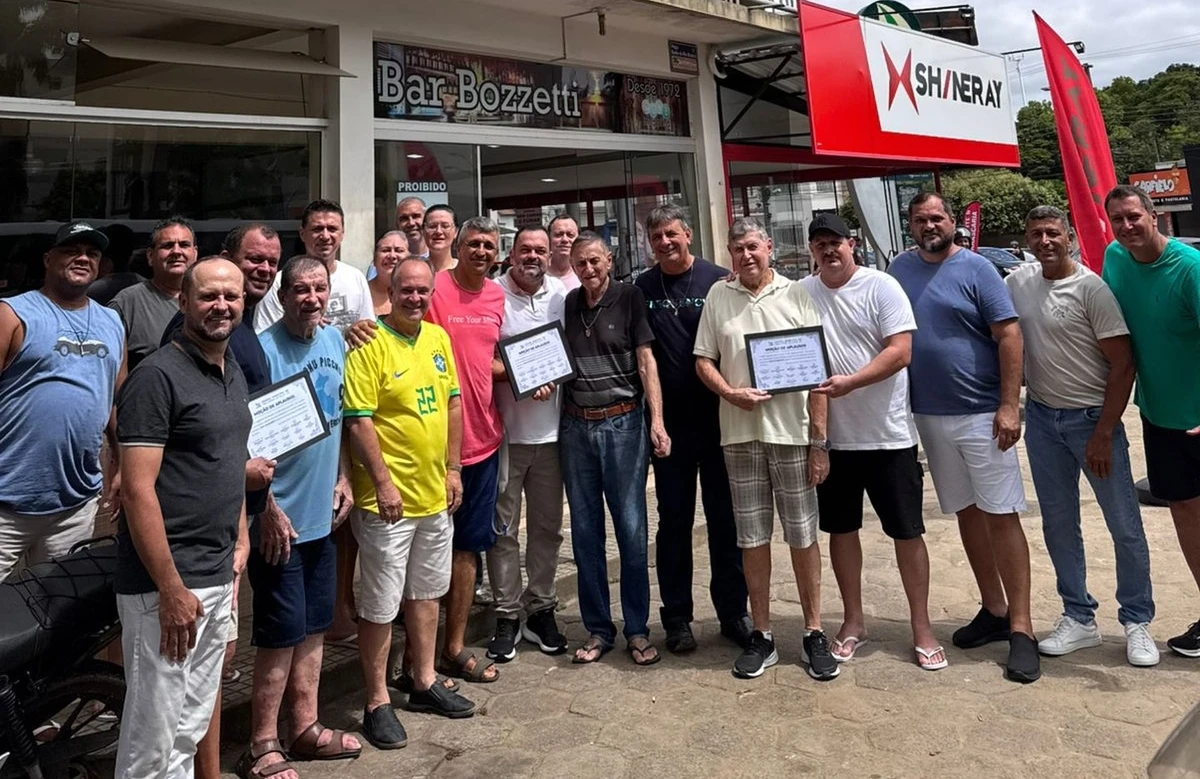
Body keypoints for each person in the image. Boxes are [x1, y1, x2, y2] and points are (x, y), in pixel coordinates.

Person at [888, 192, 1039, 684]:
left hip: (982, 414)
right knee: (967, 513)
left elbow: (1010, 336)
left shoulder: (977, 270)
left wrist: (1009, 404)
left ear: (953, 221)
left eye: (937, 217)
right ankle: (993, 610)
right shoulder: (897, 269)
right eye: (920, 219)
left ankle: (1022, 628)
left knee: (1001, 514)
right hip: (929, 415)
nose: (929, 225)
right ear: (909, 225)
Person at [114, 257, 251, 778]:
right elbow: (137, 491)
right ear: (183, 302)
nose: (221, 306)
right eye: (209, 296)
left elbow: (231, 458)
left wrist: (239, 538)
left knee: (188, 728)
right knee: (153, 736)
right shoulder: (155, 378)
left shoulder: (230, 368)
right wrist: (170, 590)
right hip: (168, 586)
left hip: (217, 575)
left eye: (231, 297)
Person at [157, 223, 282, 779]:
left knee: (216, 658)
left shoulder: (245, 333)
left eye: (268, 264)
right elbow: (179, 459)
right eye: (251, 260)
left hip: (231, 523)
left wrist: (248, 522)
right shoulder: (176, 352)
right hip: (189, 541)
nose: (227, 301)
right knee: (194, 667)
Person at [1006, 205, 1156, 667]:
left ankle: (1137, 621)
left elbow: (1123, 364)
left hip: (1093, 421)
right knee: (1058, 525)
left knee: (1123, 525)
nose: (1045, 241)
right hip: (1044, 422)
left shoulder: (1092, 289)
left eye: (1053, 233)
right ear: (1027, 239)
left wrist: (1104, 431)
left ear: (1069, 237)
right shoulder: (1017, 283)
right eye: (1036, 234)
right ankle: (1078, 618)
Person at [694, 217, 837, 682]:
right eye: (737, 249)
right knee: (752, 539)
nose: (745, 256)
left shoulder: (798, 294)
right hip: (739, 436)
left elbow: (818, 375)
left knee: (802, 534)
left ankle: (814, 631)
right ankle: (763, 633)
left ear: (769, 247)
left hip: (793, 435)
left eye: (752, 247)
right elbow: (703, 360)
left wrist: (820, 443)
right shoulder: (719, 295)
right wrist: (729, 393)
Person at [799, 214, 942, 670]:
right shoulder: (802, 291)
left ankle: (921, 625)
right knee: (841, 532)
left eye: (835, 242)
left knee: (907, 532)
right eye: (819, 244)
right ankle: (853, 620)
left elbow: (901, 351)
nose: (828, 251)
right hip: (835, 442)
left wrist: (851, 383)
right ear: (812, 251)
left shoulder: (882, 286)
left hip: (888, 437)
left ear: (852, 243)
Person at [344, 257, 475, 749]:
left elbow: (453, 404)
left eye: (424, 291)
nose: (416, 299)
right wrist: (382, 481)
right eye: (407, 291)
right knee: (379, 603)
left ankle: (422, 680)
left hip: (434, 496)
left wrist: (453, 468)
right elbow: (359, 420)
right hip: (388, 503)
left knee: (426, 593)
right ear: (391, 291)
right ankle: (376, 700)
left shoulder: (439, 340)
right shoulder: (368, 343)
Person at [238, 257, 359, 779]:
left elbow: (342, 420)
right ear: (282, 296)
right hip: (278, 522)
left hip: (321, 518)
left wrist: (346, 478)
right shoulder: (260, 353)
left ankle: (305, 727)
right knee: (279, 633)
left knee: (313, 628)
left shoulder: (335, 342)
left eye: (319, 289)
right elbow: (244, 443)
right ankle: (261, 743)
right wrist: (264, 509)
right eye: (300, 290)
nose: (311, 298)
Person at [634, 204, 750, 654]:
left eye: (672, 234)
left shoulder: (720, 280)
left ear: (688, 234)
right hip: (671, 428)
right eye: (657, 236)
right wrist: (655, 421)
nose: (665, 242)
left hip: (722, 422)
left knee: (726, 522)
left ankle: (733, 613)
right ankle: (677, 618)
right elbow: (643, 359)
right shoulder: (642, 288)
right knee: (674, 524)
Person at [562, 232, 670, 666]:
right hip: (575, 427)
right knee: (585, 532)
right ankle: (597, 628)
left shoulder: (631, 297)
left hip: (623, 423)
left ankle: (638, 629)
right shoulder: (570, 303)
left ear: (609, 260)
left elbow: (646, 361)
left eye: (594, 261)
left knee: (630, 529)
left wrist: (657, 421)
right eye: (579, 264)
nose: (588, 270)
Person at [1102, 184, 1200, 658]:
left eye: (1133, 217)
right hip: (1160, 415)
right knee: (1185, 513)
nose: (1126, 227)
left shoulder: (1191, 269)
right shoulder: (1114, 260)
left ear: (1154, 214)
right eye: (1117, 219)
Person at [0, 222, 125, 581]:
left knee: (56, 613)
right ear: (48, 259)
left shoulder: (112, 321)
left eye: (92, 253)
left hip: (74, 503)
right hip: (7, 500)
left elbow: (118, 397)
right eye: (72, 250)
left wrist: (122, 462)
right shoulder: (12, 313)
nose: (83, 258)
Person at [425, 216, 505, 683]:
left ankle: (453, 647)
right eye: (473, 244)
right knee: (426, 552)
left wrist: (524, 372)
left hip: (484, 443)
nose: (480, 251)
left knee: (468, 550)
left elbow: (495, 358)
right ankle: (420, 657)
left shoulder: (497, 296)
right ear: (458, 246)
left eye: (488, 246)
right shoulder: (432, 288)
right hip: (434, 445)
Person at [485, 226, 570, 660]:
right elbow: (481, 357)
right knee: (502, 531)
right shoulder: (491, 294)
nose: (533, 256)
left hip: (553, 436)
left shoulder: (561, 293)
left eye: (540, 249)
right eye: (525, 250)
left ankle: (541, 608)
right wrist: (523, 374)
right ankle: (505, 613)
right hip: (505, 436)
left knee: (546, 529)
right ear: (510, 253)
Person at [255, 200, 374, 334]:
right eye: (317, 229)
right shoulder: (279, 282)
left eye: (332, 229)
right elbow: (265, 336)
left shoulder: (356, 278)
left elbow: (368, 328)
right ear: (302, 234)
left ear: (342, 234)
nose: (325, 236)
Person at [109, 216, 198, 370]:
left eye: (184, 245)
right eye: (167, 245)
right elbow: (111, 368)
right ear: (150, 256)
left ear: (195, 254)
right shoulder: (127, 303)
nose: (176, 251)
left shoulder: (211, 300)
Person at [369, 231, 409, 316]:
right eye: (385, 250)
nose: (392, 256)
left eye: (399, 250)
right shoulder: (361, 291)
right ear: (374, 259)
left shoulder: (416, 295)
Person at [548, 213, 581, 291]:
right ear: (549, 239)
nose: (565, 240)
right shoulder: (539, 274)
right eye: (558, 234)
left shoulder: (584, 273)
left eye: (570, 235)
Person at [424, 204, 459, 274]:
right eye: (432, 226)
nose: (438, 231)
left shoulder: (466, 270)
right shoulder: (415, 270)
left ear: (456, 231)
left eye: (445, 226)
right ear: (423, 231)